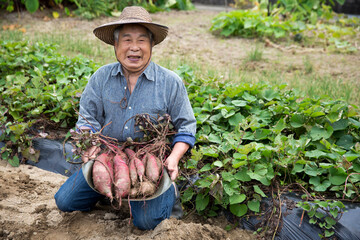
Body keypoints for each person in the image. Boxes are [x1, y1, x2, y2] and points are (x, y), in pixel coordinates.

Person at [54, 6, 196, 230]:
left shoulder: (170, 82)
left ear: (151, 46)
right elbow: (87, 120)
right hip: (107, 155)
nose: (134, 48)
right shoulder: (101, 78)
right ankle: (110, 190)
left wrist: (174, 158)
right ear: (115, 45)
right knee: (65, 202)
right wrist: (89, 145)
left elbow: (186, 127)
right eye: (126, 40)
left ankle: (169, 194)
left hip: (150, 160)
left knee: (146, 222)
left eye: (141, 40)